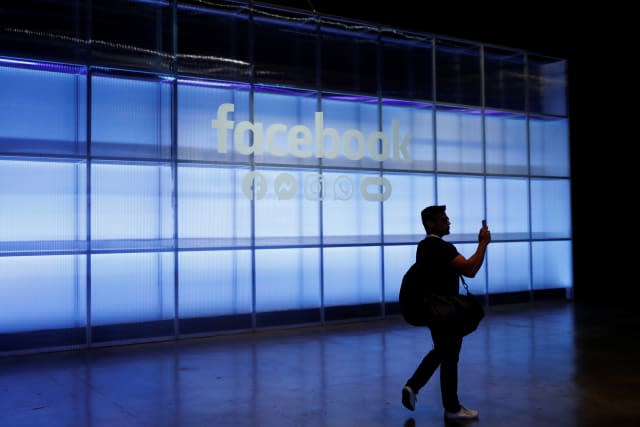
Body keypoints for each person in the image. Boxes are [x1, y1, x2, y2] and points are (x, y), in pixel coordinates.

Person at [401, 205, 491, 420]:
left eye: (447, 218)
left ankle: (428, 395)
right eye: (443, 219)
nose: (448, 222)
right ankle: (445, 404)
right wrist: (483, 243)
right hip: (444, 311)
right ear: (431, 224)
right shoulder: (440, 247)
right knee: (448, 352)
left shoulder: (424, 247)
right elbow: (470, 269)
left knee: (446, 352)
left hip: (432, 309)